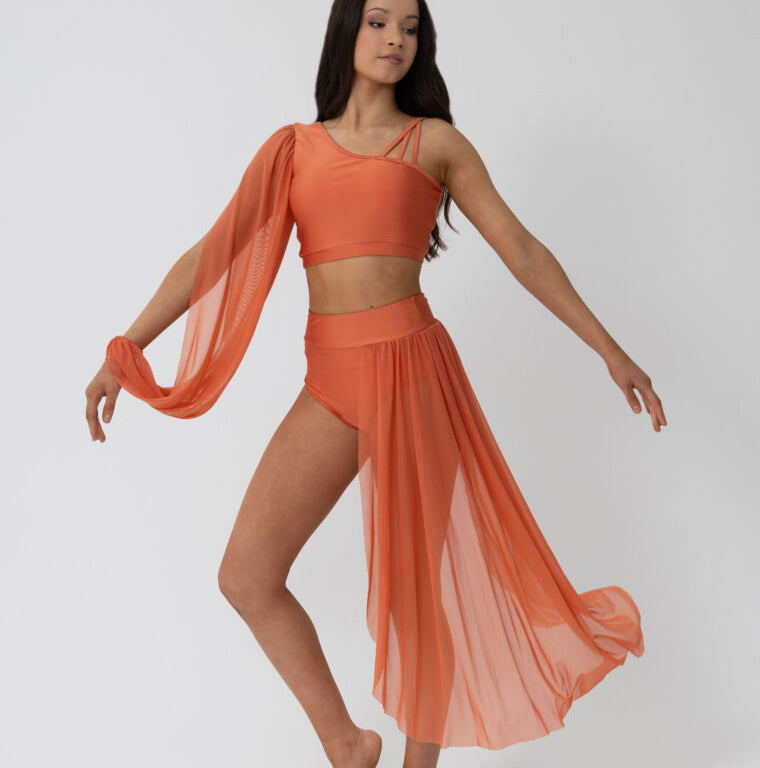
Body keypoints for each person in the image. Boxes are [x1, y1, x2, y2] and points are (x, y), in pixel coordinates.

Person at [84, 0, 667, 766]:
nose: (396, 38)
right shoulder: (293, 150)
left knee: (419, 604)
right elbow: (212, 253)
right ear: (347, 31)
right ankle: (348, 745)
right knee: (247, 575)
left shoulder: (436, 145)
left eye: (411, 28)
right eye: (380, 22)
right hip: (331, 381)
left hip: (414, 378)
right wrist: (128, 347)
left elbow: (522, 250)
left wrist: (609, 350)